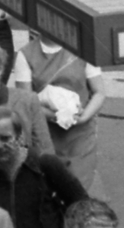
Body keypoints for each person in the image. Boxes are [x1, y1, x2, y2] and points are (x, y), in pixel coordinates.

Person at [14, 15, 106, 192]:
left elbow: (99, 92)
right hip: (46, 135)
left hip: (80, 135)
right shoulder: (25, 55)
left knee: (79, 189)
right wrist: (56, 116)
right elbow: (26, 102)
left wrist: (83, 117)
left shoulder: (83, 50)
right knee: (51, 191)